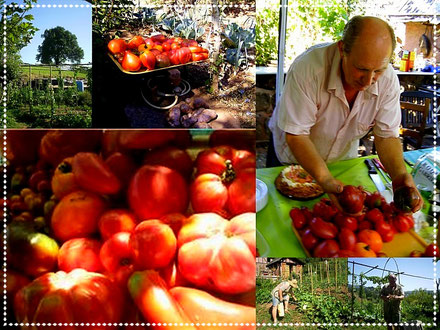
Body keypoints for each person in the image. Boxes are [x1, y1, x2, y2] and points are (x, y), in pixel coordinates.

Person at [268, 15, 423, 212]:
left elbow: (386, 136)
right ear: (342, 49)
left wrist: (399, 176)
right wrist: (323, 178)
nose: (368, 81)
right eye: (361, 69)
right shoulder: (308, 69)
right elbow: (297, 135)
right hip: (292, 159)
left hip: (340, 160)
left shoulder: (388, 81)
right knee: (283, 216)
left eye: (378, 71)